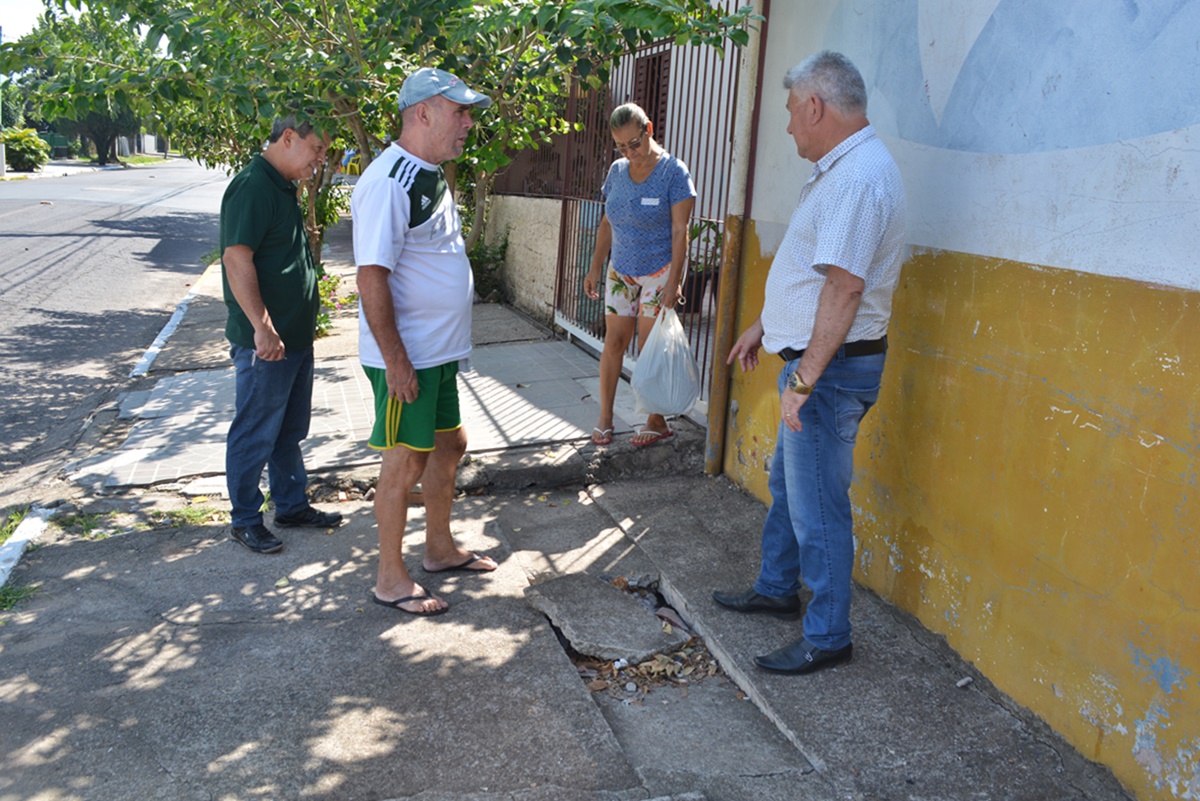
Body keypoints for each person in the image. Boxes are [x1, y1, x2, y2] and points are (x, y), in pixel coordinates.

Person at [712, 51, 907, 674]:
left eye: (794, 112)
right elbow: (810, 273)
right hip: (815, 364)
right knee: (788, 486)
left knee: (817, 506)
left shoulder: (857, 179)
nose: (791, 126)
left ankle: (828, 635)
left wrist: (803, 378)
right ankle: (776, 589)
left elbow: (844, 290)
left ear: (816, 107)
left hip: (829, 371)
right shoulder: (839, 171)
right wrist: (763, 326)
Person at [351, 68, 498, 616]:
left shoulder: (427, 173)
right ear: (423, 114)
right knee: (405, 461)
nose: (468, 123)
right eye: (459, 112)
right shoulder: (389, 181)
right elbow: (371, 277)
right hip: (408, 359)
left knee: (449, 445)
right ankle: (390, 578)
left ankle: (438, 549)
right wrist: (396, 362)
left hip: (436, 354)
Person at [221, 115, 344, 555]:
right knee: (256, 430)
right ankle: (245, 519)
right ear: (289, 138)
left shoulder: (281, 186)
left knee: (289, 430)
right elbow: (237, 261)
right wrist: (263, 327)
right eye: (317, 149)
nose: (321, 159)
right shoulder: (252, 186)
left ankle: (290, 505)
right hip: (268, 342)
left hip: (294, 340)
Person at [583, 103, 697, 447]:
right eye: (621, 146)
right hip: (622, 270)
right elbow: (607, 221)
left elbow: (681, 231)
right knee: (613, 343)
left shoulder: (674, 173)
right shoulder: (617, 171)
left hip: (659, 270)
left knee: (650, 349)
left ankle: (655, 419)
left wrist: (675, 281)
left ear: (648, 129)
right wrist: (594, 266)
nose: (629, 152)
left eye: (634, 143)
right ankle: (605, 418)